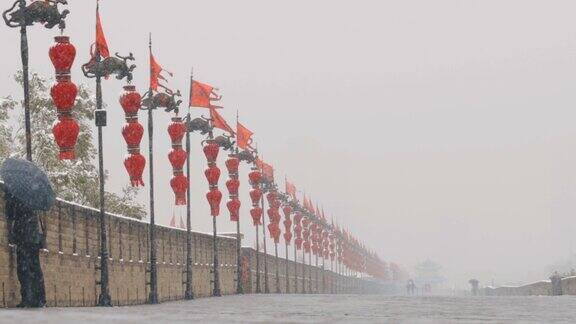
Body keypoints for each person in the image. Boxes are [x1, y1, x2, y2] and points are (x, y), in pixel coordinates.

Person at [5, 189, 46, 308]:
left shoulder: (14, 193)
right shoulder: (34, 193)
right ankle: (40, 298)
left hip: (23, 235)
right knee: (35, 267)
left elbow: (10, 214)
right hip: (34, 236)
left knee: (23, 269)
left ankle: (28, 298)